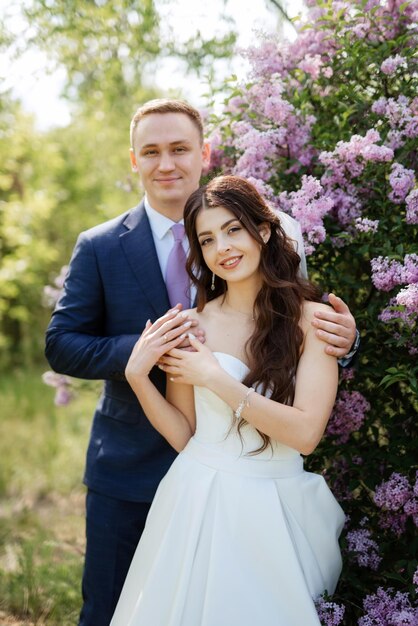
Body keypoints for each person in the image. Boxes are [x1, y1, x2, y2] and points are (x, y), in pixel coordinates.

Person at [45, 99, 357, 626]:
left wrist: (344, 340)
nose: (166, 163)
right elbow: (62, 343)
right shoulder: (99, 246)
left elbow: (301, 329)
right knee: (117, 609)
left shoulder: (264, 245)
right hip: (137, 469)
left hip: (262, 487)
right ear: (134, 160)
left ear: (203, 153)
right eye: (151, 151)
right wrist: (148, 354)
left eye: (179, 149)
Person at [110, 174, 346, 626]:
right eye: (208, 238)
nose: (223, 247)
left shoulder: (315, 322)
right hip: (193, 497)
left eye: (233, 229)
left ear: (264, 230)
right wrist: (138, 377)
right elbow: (187, 436)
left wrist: (216, 378)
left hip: (274, 509)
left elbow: (306, 434)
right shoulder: (192, 325)